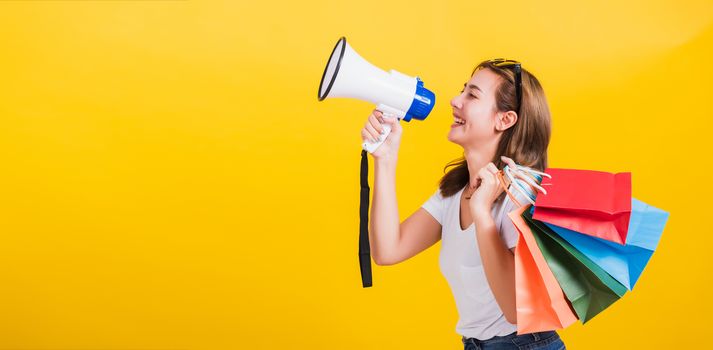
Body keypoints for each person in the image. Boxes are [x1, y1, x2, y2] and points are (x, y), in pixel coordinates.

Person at [360, 59, 565, 349]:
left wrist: (483, 216)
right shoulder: (453, 194)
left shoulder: (523, 196)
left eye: (472, 95)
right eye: (462, 91)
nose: (455, 101)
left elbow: (514, 310)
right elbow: (388, 250)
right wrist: (385, 157)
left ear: (505, 120)